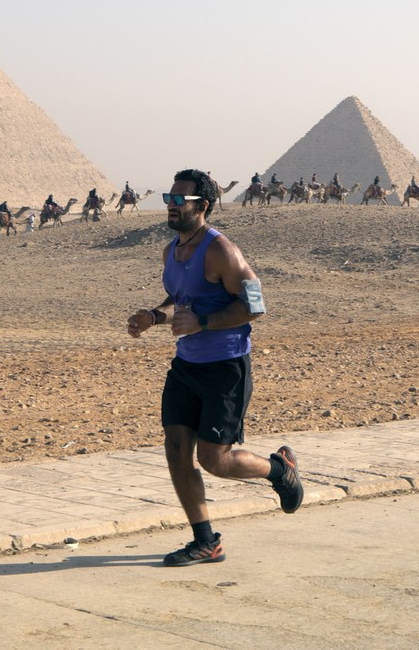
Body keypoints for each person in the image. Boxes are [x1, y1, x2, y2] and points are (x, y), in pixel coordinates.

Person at [125, 168, 303, 566]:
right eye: (168, 200)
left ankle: (279, 469)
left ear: (202, 206)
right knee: (175, 450)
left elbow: (255, 306)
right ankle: (206, 541)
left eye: (178, 201)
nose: (170, 207)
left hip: (225, 367)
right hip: (186, 365)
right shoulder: (171, 251)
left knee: (215, 459)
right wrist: (155, 317)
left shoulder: (223, 251)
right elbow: (179, 297)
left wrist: (203, 323)